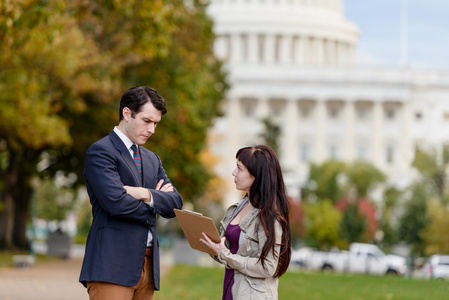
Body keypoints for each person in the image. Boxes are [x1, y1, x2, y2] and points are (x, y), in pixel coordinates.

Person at [79, 86, 183, 300]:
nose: (152, 129)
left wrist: (144, 193)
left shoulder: (152, 159)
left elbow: (175, 204)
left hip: (147, 269)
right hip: (112, 267)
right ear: (127, 114)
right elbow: (116, 203)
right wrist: (156, 200)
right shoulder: (100, 151)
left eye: (155, 123)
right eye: (147, 121)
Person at [200, 145, 292, 300]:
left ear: (256, 175)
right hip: (232, 287)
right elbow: (227, 251)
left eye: (239, 168)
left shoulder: (269, 215)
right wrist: (211, 245)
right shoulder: (238, 207)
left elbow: (268, 267)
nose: (233, 173)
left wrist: (225, 254)